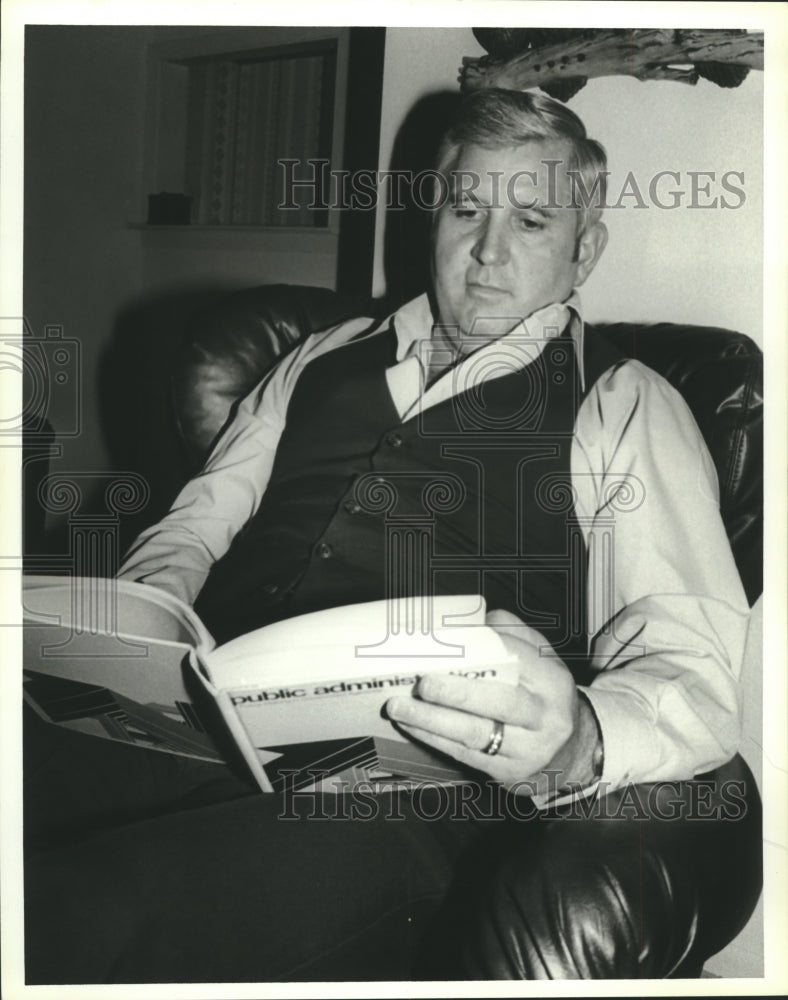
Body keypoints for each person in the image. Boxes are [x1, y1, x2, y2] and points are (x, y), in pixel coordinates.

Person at [24, 89, 761, 982]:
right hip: (185, 723)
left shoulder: (623, 400)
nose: (488, 254)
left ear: (585, 249)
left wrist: (579, 743)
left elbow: (690, 657)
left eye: (530, 221)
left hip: (398, 792)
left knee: (77, 918)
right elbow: (200, 517)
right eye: (466, 210)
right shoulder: (318, 354)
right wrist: (135, 623)